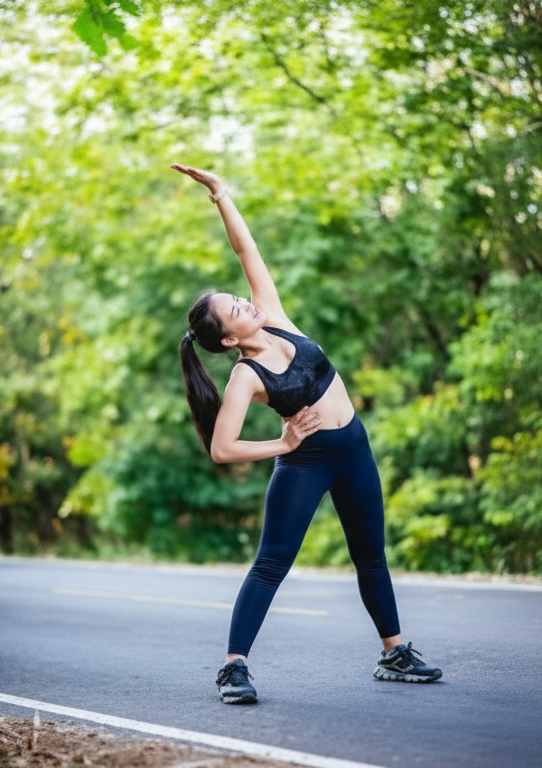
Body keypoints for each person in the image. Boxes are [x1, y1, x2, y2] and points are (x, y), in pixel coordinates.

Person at [173, 162, 443, 703]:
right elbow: (223, 448)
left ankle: (393, 651)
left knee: (371, 554)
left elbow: (247, 253)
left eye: (237, 297)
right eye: (234, 309)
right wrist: (284, 444)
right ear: (227, 339)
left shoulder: (273, 314)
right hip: (308, 461)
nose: (244, 301)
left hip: (354, 446)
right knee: (272, 561)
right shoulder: (245, 377)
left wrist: (222, 194)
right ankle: (233, 668)